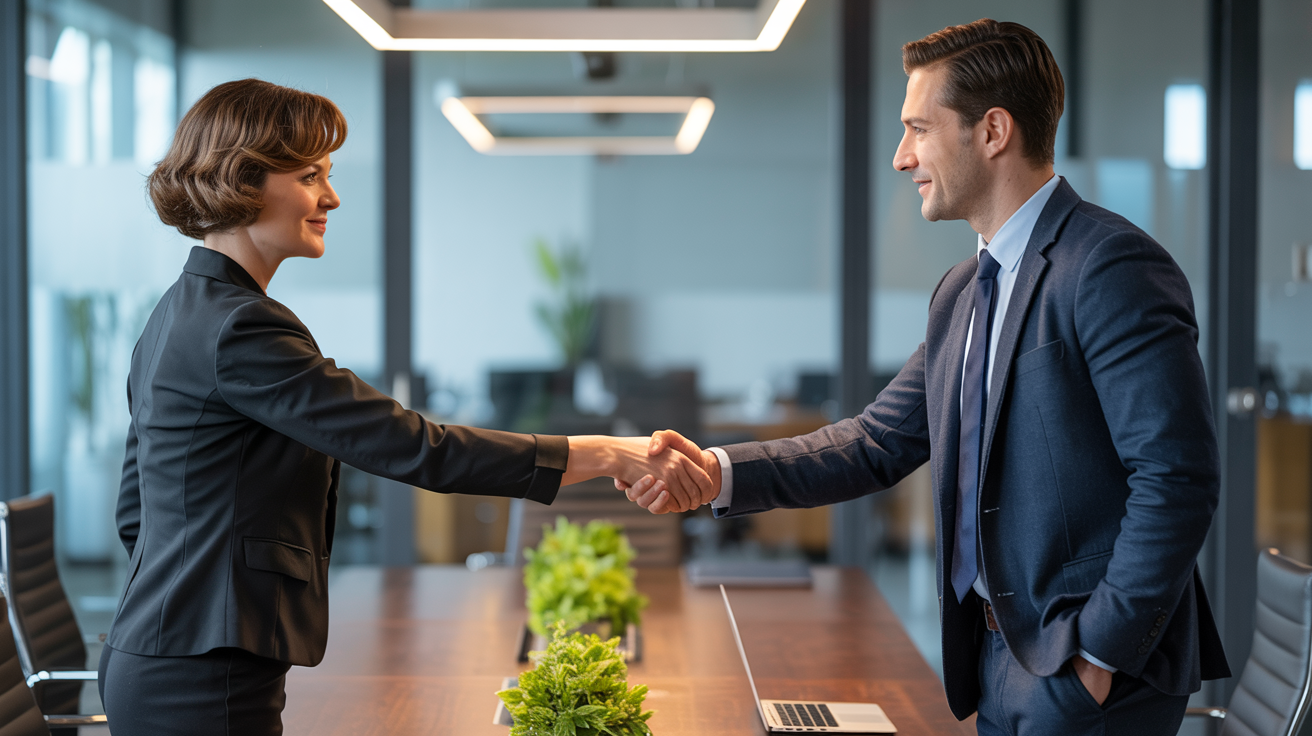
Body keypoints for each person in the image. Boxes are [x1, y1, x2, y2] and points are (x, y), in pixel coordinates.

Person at [624, 18, 1230, 736]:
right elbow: (873, 442)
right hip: (995, 660)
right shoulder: (964, 290)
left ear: (993, 131)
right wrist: (716, 470)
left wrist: (1096, 656)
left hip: (1083, 672)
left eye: (918, 128)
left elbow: (1177, 476)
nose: (900, 156)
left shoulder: (1108, 266)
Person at [97, 78, 710, 736]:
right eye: (310, 176)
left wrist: (192, 594)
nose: (330, 197)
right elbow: (412, 446)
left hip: (160, 652)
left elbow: (139, 513)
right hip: (200, 674)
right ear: (244, 179)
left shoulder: (175, 314)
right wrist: (599, 452)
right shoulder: (242, 329)